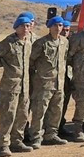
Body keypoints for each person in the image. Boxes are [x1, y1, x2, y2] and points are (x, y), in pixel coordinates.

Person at [0, 14, 34, 155]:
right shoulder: (8, 42)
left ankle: (17, 141)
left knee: (22, 115)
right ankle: (3, 144)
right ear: (16, 27)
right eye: (23, 26)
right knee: (8, 116)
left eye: (28, 26)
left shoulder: (28, 42)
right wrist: (4, 64)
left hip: (24, 86)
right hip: (10, 86)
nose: (26, 28)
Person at [29, 16, 70, 148]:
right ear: (50, 27)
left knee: (56, 110)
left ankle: (51, 134)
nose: (58, 28)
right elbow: (31, 60)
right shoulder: (41, 43)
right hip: (44, 84)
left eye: (60, 25)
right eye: (55, 25)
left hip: (59, 83)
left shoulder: (64, 42)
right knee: (39, 112)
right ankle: (36, 137)